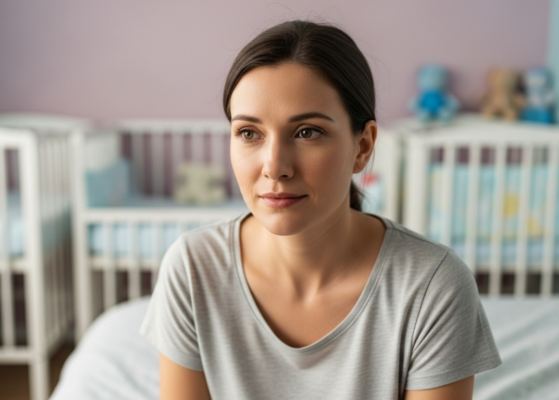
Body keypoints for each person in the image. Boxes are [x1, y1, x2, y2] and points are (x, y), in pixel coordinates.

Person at [140, 20, 501, 400]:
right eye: (249, 133)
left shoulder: (433, 287)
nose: (275, 166)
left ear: (362, 146)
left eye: (307, 132)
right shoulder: (193, 268)